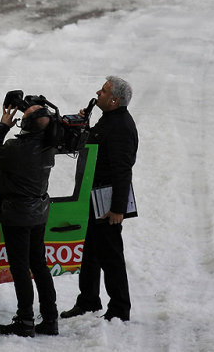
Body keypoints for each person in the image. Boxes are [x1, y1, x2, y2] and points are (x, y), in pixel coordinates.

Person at [61, 76, 138, 322]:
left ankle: (119, 309)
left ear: (114, 100)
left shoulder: (122, 127)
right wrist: (84, 125)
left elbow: (123, 170)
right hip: (92, 197)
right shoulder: (109, 120)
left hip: (107, 201)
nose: (98, 93)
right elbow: (94, 146)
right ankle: (88, 300)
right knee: (91, 254)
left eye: (104, 91)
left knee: (111, 256)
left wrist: (117, 209)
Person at [0, 103, 59, 337]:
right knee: (39, 265)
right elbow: (41, 120)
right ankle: (50, 319)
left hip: (17, 215)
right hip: (38, 212)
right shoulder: (51, 142)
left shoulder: (16, 148)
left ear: (25, 125)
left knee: (21, 268)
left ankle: (25, 321)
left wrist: (3, 125)